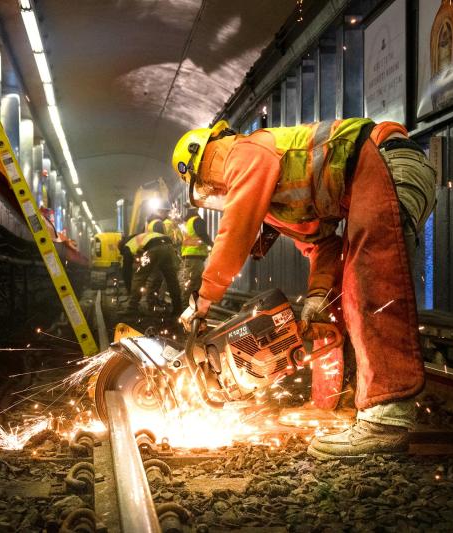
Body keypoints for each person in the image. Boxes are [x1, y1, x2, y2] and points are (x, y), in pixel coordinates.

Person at [172, 118, 436, 459]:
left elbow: (235, 229)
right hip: (373, 172)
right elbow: (323, 245)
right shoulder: (278, 197)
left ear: (207, 155)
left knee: (370, 282)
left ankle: (387, 420)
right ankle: (340, 400)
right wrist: (316, 299)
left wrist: (205, 297)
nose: (216, 192)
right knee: (342, 296)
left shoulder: (245, 152)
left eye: (208, 185)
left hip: (387, 162)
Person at [120, 231, 182, 317]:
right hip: (169, 246)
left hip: (154, 248)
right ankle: (178, 308)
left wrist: (129, 289)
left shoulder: (128, 246)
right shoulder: (142, 236)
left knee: (139, 276)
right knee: (171, 279)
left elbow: (126, 271)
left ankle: (132, 308)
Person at [179, 205, 214, 307]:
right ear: (197, 208)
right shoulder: (197, 220)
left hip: (188, 255)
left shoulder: (187, 222)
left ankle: (191, 306)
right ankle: (185, 307)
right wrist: (213, 245)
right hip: (195, 256)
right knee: (193, 283)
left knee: (191, 282)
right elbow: (202, 234)